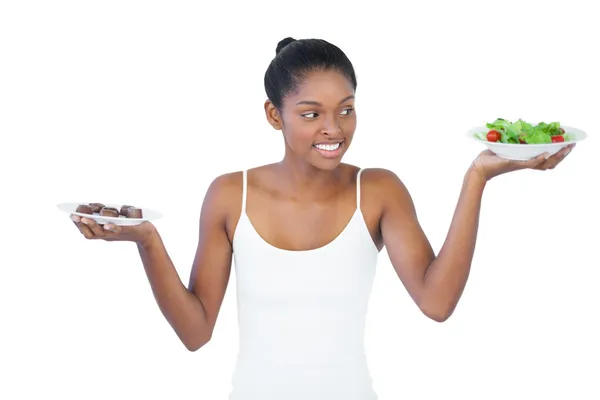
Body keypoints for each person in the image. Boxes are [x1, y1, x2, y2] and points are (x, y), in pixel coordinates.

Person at [70, 37, 575, 399]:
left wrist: (475, 181)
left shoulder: (376, 190)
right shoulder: (230, 195)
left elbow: (437, 303)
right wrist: (148, 241)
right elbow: (197, 332)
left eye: (347, 109)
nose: (333, 128)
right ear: (275, 115)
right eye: (311, 113)